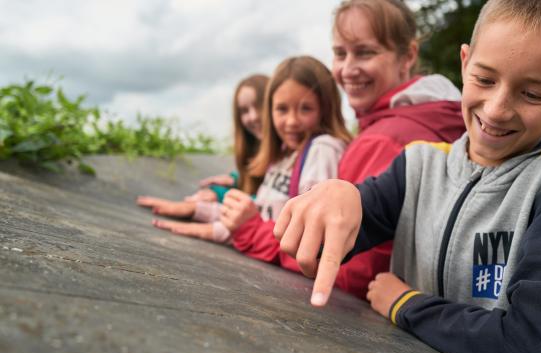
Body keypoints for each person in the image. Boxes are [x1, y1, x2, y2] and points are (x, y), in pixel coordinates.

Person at [274, 0, 541, 353]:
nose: (496, 110)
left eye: (532, 94)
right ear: (464, 64)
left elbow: (538, 345)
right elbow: (339, 235)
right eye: (484, 78)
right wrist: (336, 198)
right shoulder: (418, 162)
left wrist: (404, 303)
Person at [233, 0, 466, 299]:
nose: (348, 69)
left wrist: (250, 231)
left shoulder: (384, 139)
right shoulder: (432, 115)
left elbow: (350, 267)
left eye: (365, 52)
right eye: (340, 53)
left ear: (407, 56)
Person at [156, 56, 351, 244]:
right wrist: (200, 210)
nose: (292, 121)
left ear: (325, 108)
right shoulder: (284, 153)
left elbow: (303, 232)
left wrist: (215, 228)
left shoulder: (322, 149)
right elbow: (265, 211)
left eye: (305, 108)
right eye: (282, 109)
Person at [136, 74, 267, 233]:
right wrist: (234, 180)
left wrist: (219, 197)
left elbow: (270, 203)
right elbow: (261, 181)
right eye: (244, 111)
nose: (253, 117)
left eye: (259, 106)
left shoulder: (288, 154)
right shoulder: (254, 149)